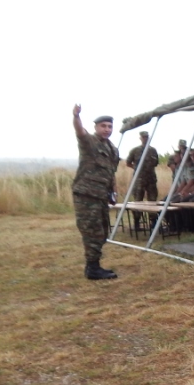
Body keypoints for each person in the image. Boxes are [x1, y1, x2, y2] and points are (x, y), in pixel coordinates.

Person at [70, 105, 120, 280]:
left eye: (109, 126)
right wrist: (76, 116)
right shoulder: (90, 142)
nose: (107, 129)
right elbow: (79, 131)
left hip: (101, 196)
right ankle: (93, 268)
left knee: (102, 231)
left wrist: (113, 192)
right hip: (86, 194)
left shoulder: (112, 149)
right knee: (92, 230)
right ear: (96, 127)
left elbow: (111, 173)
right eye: (103, 126)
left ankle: (94, 265)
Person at [126, 129, 159, 201]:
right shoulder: (135, 150)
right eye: (143, 137)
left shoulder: (153, 150)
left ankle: (152, 212)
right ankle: (138, 212)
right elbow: (128, 163)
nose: (145, 139)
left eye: (147, 137)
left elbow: (156, 163)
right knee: (138, 199)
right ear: (140, 138)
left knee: (152, 200)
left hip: (151, 179)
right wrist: (136, 168)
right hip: (139, 179)